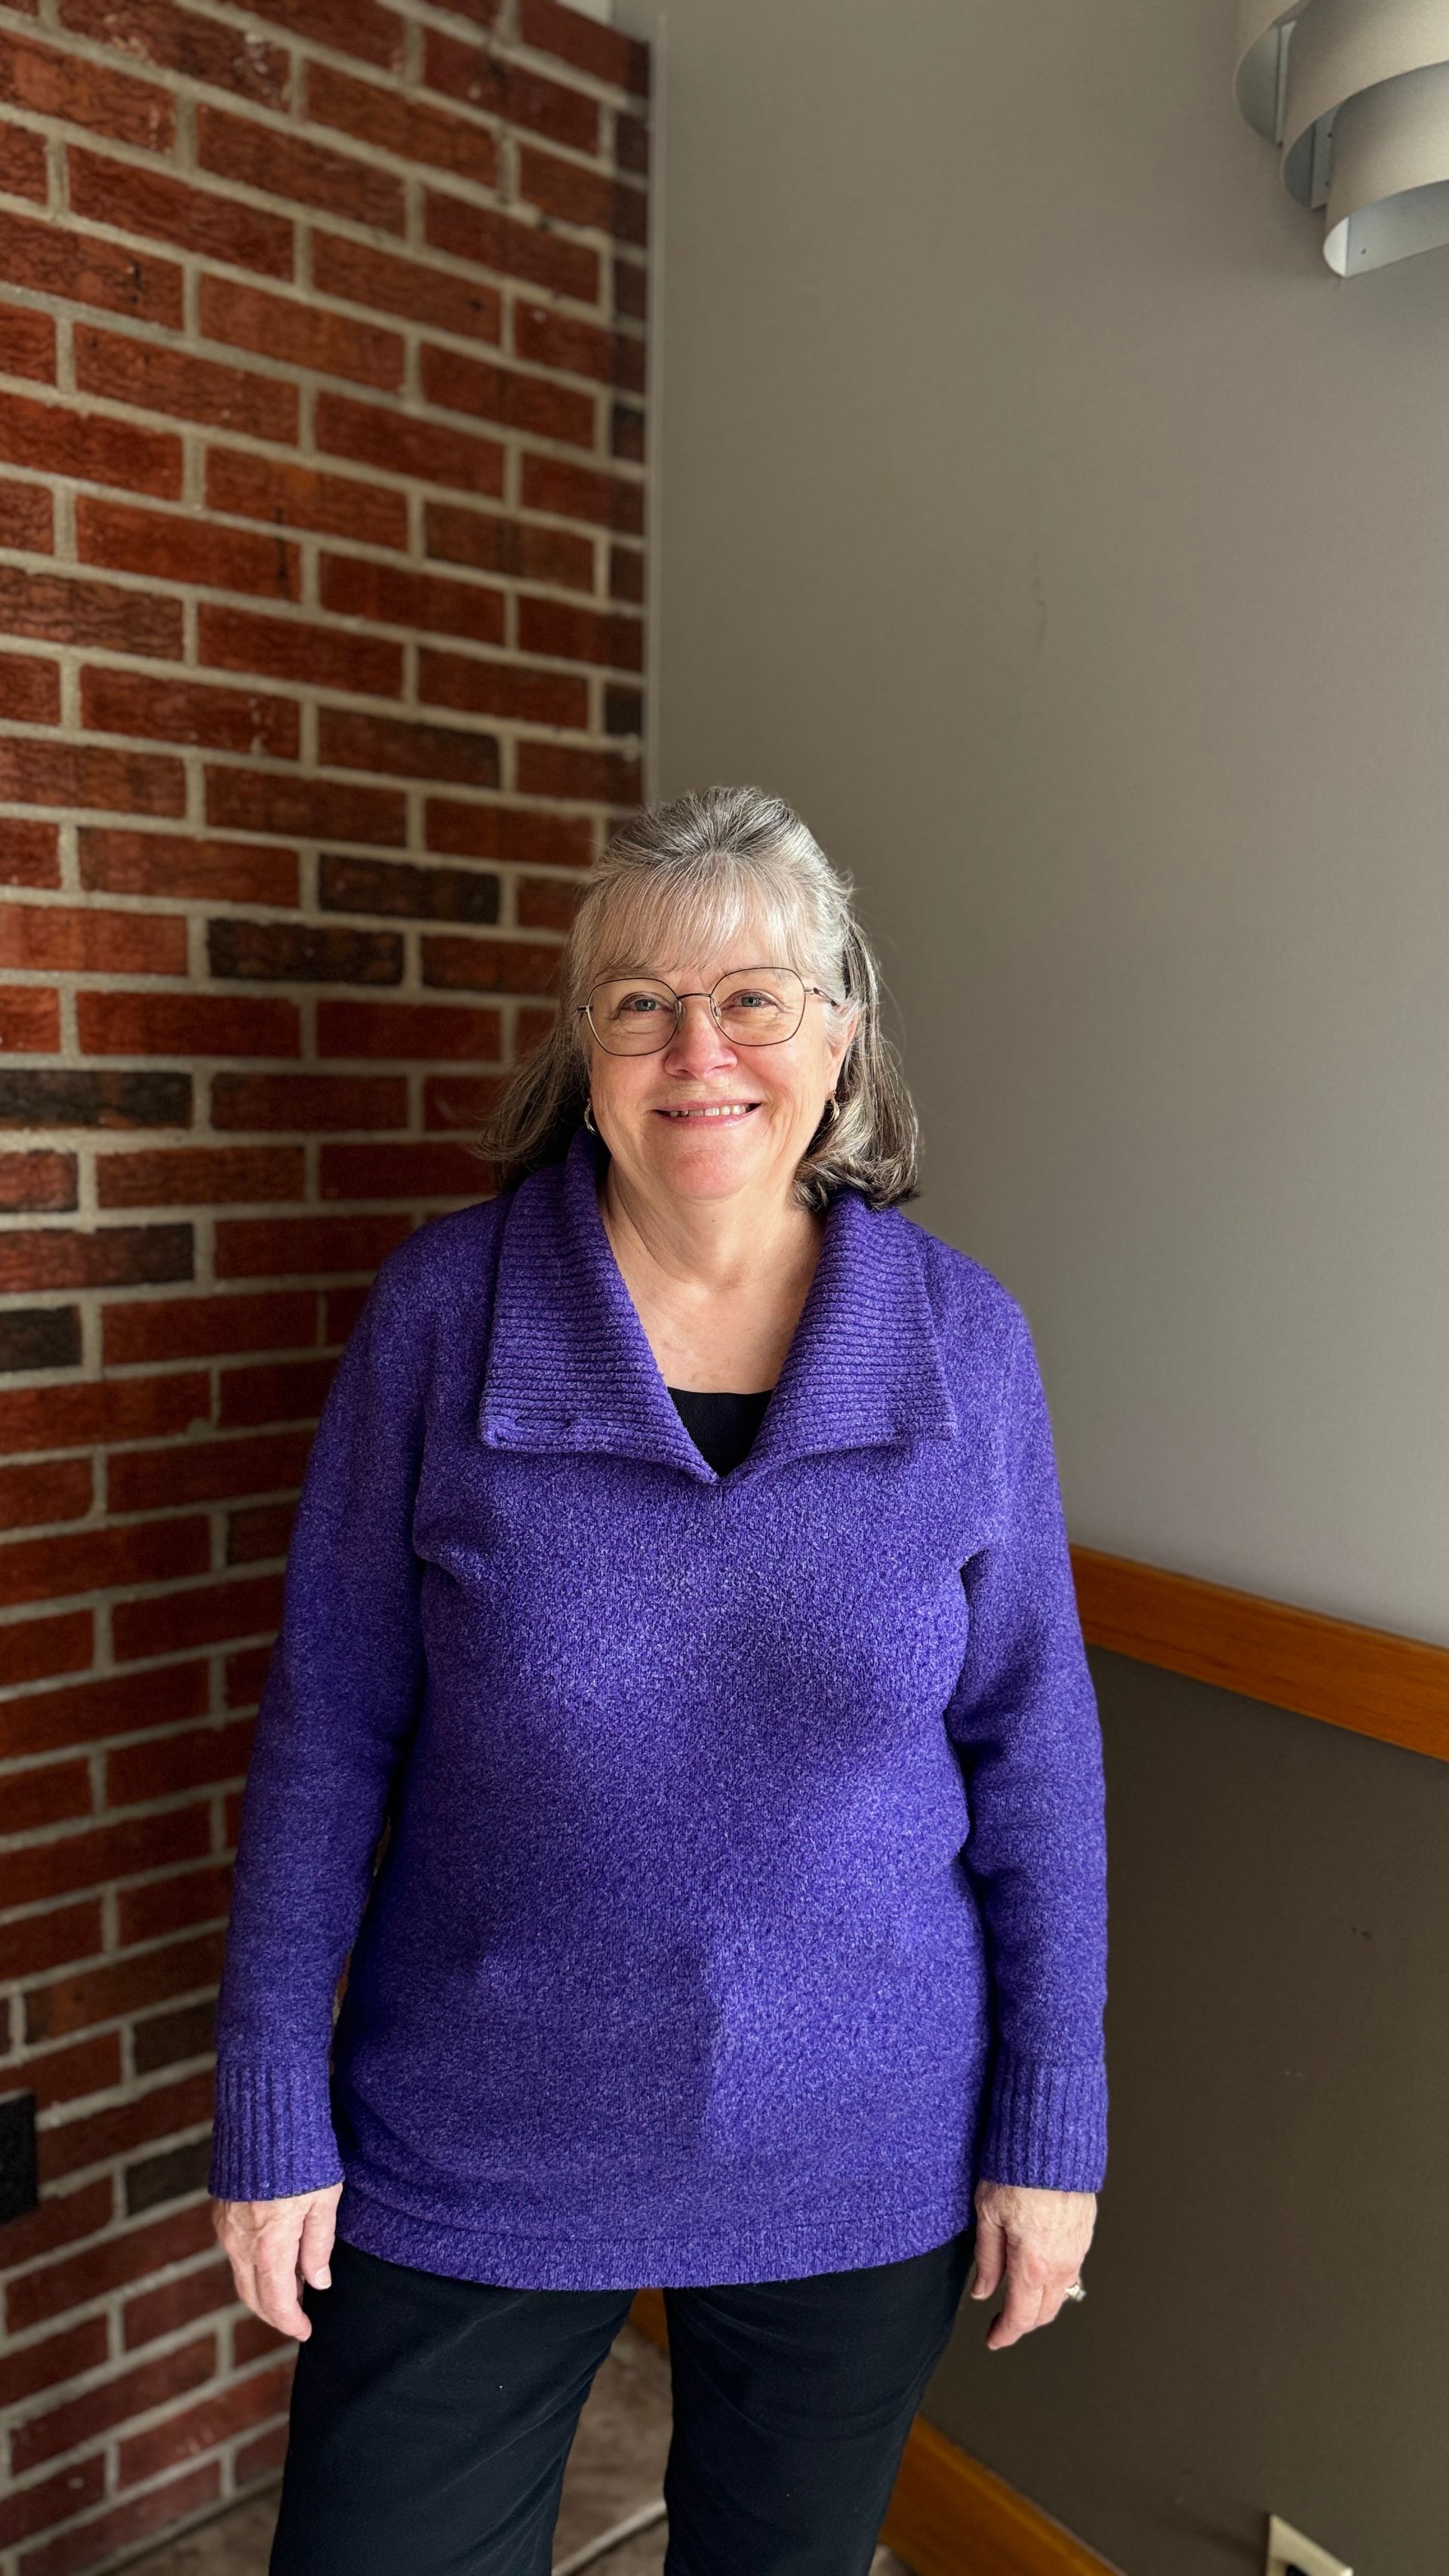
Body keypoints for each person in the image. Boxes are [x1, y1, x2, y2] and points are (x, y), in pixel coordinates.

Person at [208, 783, 1108, 2576]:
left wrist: (1050, 2125)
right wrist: (268, 2094)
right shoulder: (443, 1315)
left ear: (839, 1039)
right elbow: (327, 1732)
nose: (699, 1049)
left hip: (860, 2142)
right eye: (641, 1002)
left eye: (755, 998)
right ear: (587, 1050)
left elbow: (1036, 1761)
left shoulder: (964, 1344)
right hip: (476, 2125)